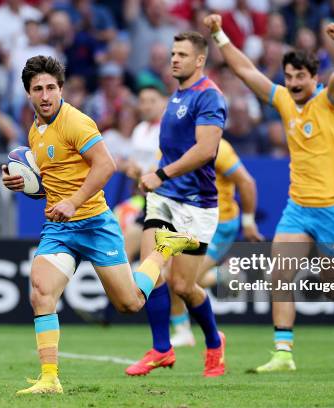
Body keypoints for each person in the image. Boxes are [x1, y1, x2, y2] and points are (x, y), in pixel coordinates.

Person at [203, 14, 334, 373]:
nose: (292, 83)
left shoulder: (331, 102)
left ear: (314, 79)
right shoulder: (282, 100)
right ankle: (283, 353)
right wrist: (218, 34)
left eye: (299, 77)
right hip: (298, 209)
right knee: (279, 273)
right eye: (288, 76)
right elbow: (246, 71)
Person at [1, 55, 199, 395]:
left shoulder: (77, 122)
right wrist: (28, 188)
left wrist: (74, 202)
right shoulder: (35, 131)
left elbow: (105, 166)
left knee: (130, 304)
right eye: (38, 89)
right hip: (60, 228)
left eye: (51, 87)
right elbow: (54, 185)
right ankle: (50, 379)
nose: (45, 95)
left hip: (93, 223)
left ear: (61, 89)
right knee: (41, 292)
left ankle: (162, 249)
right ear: (28, 94)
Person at [124, 31, 228, 378]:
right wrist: (151, 175)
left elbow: (204, 151)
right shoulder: (176, 96)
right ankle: (161, 348)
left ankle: (214, 342)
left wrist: (161, 174)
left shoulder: (209, 97)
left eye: (182, 54)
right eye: (172, 53)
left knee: (183, 286)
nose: (174, 59)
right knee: (151, 265)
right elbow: (169, 150)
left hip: (196, 206)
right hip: (164, 199)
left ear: (200, 60)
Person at [170, 137, 264, 347]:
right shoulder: (173, 142)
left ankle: (191, 332)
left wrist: (248, 222)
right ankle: (222, 276)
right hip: (189, 220)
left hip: (219, 224)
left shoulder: (219, 147)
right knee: (175, 277)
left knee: (181, 280)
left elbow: (246, 182)